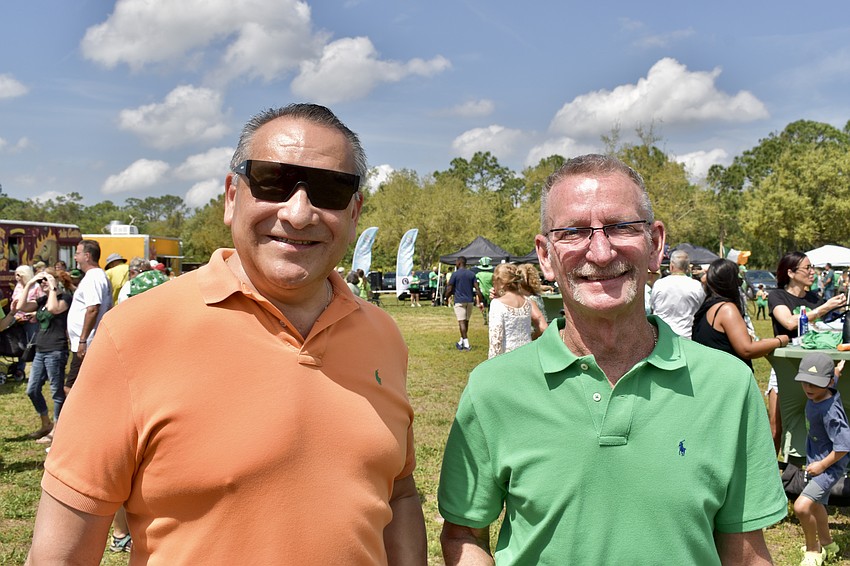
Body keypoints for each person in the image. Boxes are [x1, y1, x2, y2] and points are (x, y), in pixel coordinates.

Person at [27, 103, 426, 565]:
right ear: (231, 196)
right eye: (272, 181)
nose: (298, 213)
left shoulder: (383, 335)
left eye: (329, 190)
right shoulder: (135, 333)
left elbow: (398, 490)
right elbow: (59, 555)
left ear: (354, 212)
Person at [438, 154, 787, 565]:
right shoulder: (493, 389)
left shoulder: (727, 385)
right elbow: (463, 535)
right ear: (546, 255)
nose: (600, 252)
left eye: (622, 227)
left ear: (656, 244)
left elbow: (746, 554)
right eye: (573, 232)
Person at [766, 252, 846, 454]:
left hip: (816, 369)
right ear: (791, 272)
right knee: (775, 427)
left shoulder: (814, 298)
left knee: (821, 420)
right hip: (787, 368)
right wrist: (823, 308)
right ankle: (773, 472)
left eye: (813, 268)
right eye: (808, 268)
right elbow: (789, 322)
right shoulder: (778, 296)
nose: (813, 272)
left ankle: (809, 463)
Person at [793, 353, 849, 565]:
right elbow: (833, 376)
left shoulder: (830, 411)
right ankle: (828, 544)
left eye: (814, 384)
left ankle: (813, 551)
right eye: (805, 382)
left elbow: (844, 446)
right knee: (815, 504)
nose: (808, 388)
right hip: (817, 458)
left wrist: (822, 465)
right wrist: (837, 370)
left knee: (802, 507)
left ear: (826, 383)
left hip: (829, 466)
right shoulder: (824, 386)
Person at [693, 259, 788, 370]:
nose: (740, 283)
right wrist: (780, 341)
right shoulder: (726, 309)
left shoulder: (708, 307)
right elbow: (747, 349)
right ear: (731, 282)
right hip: (728, 379)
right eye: (738, 280)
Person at [15, 270, 72, 443]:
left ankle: (57, 429)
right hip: (40, 350)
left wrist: (52, 287)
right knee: (32, 389)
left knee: (56, 391)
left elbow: (54, 309)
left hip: (56, 349)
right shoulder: (41, 301)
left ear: (55, 281)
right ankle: (45, 423)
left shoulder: (65, 298)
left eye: (45, 281)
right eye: (42, 282)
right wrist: (31, 283)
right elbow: (20, 307)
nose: (43, 284)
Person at [64, 240, 112, 395]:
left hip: (87, 343)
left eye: (77, 253)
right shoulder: (93, 277)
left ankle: (76, 419)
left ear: (87, 256)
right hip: (84, 342)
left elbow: (92, 309)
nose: (75, 258)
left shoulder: (94, 277)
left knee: (71, 390)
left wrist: (83, 340)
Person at [487, 263, 547, 358]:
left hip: (507, 356)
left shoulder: (497, 304)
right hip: (527, 353)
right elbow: (542, 326)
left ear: (500, 282)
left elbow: (496, 340)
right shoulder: (528, 301)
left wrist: (492, 364)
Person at [649, 250, 705, 338]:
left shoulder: (659, 284)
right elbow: (702, 308)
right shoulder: (696, 286)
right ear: (687, 267)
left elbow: (652, 306)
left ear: (671, 266)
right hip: (687, 336)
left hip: (662, 335)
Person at [7, 265, 43, 381]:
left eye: (19, 275)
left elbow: (42, 304)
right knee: (20, 345)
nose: (16, 277)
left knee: (32, 344)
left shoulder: (36, 287)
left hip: (31, 320)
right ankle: (20, 368)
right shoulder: (18, 287)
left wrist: (35, 314)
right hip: (18, 320)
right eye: (15, 274)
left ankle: (37, 370)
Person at [445, 256, 480, 351]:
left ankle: (467, 344)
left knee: (461, 322)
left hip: (459, 301)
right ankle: (461, 342)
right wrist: (480, 300)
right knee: (466, 322)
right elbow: (477, 288)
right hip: (470, 301)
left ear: (459, 262)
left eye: (456, 262)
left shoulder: (455, 274)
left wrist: (446, 298)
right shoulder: (472, 274)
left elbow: (449, 288)